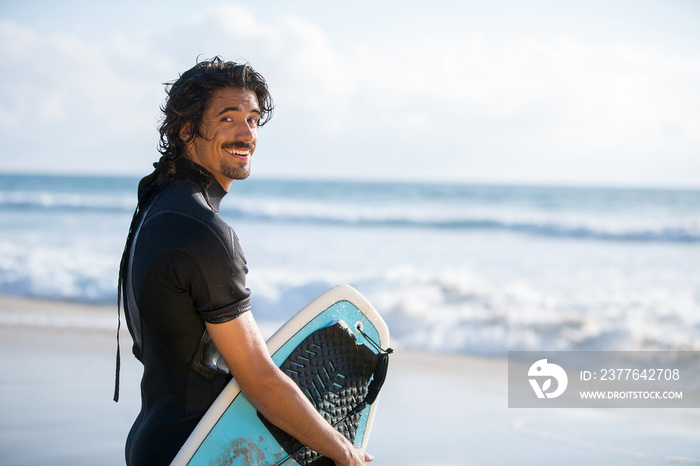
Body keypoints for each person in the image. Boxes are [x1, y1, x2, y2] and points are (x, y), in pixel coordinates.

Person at [117, 57, 373, 466]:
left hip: (159, 440)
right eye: (227, 118)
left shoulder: (157, 208)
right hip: (201, 449)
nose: (246, 133)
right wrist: (344, 453)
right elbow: (260, 382)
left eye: (253, 120)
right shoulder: (202, 231)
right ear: (187, 130)